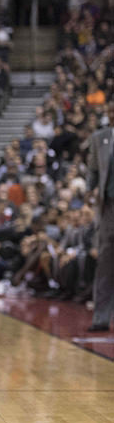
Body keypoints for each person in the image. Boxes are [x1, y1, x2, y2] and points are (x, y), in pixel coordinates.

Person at [87, 102, 114, 332]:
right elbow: (93, 169)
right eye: (110, 111)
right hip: (109, 207)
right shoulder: (100, 138)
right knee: (105, 262)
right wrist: (89, 190)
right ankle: (101, 318)